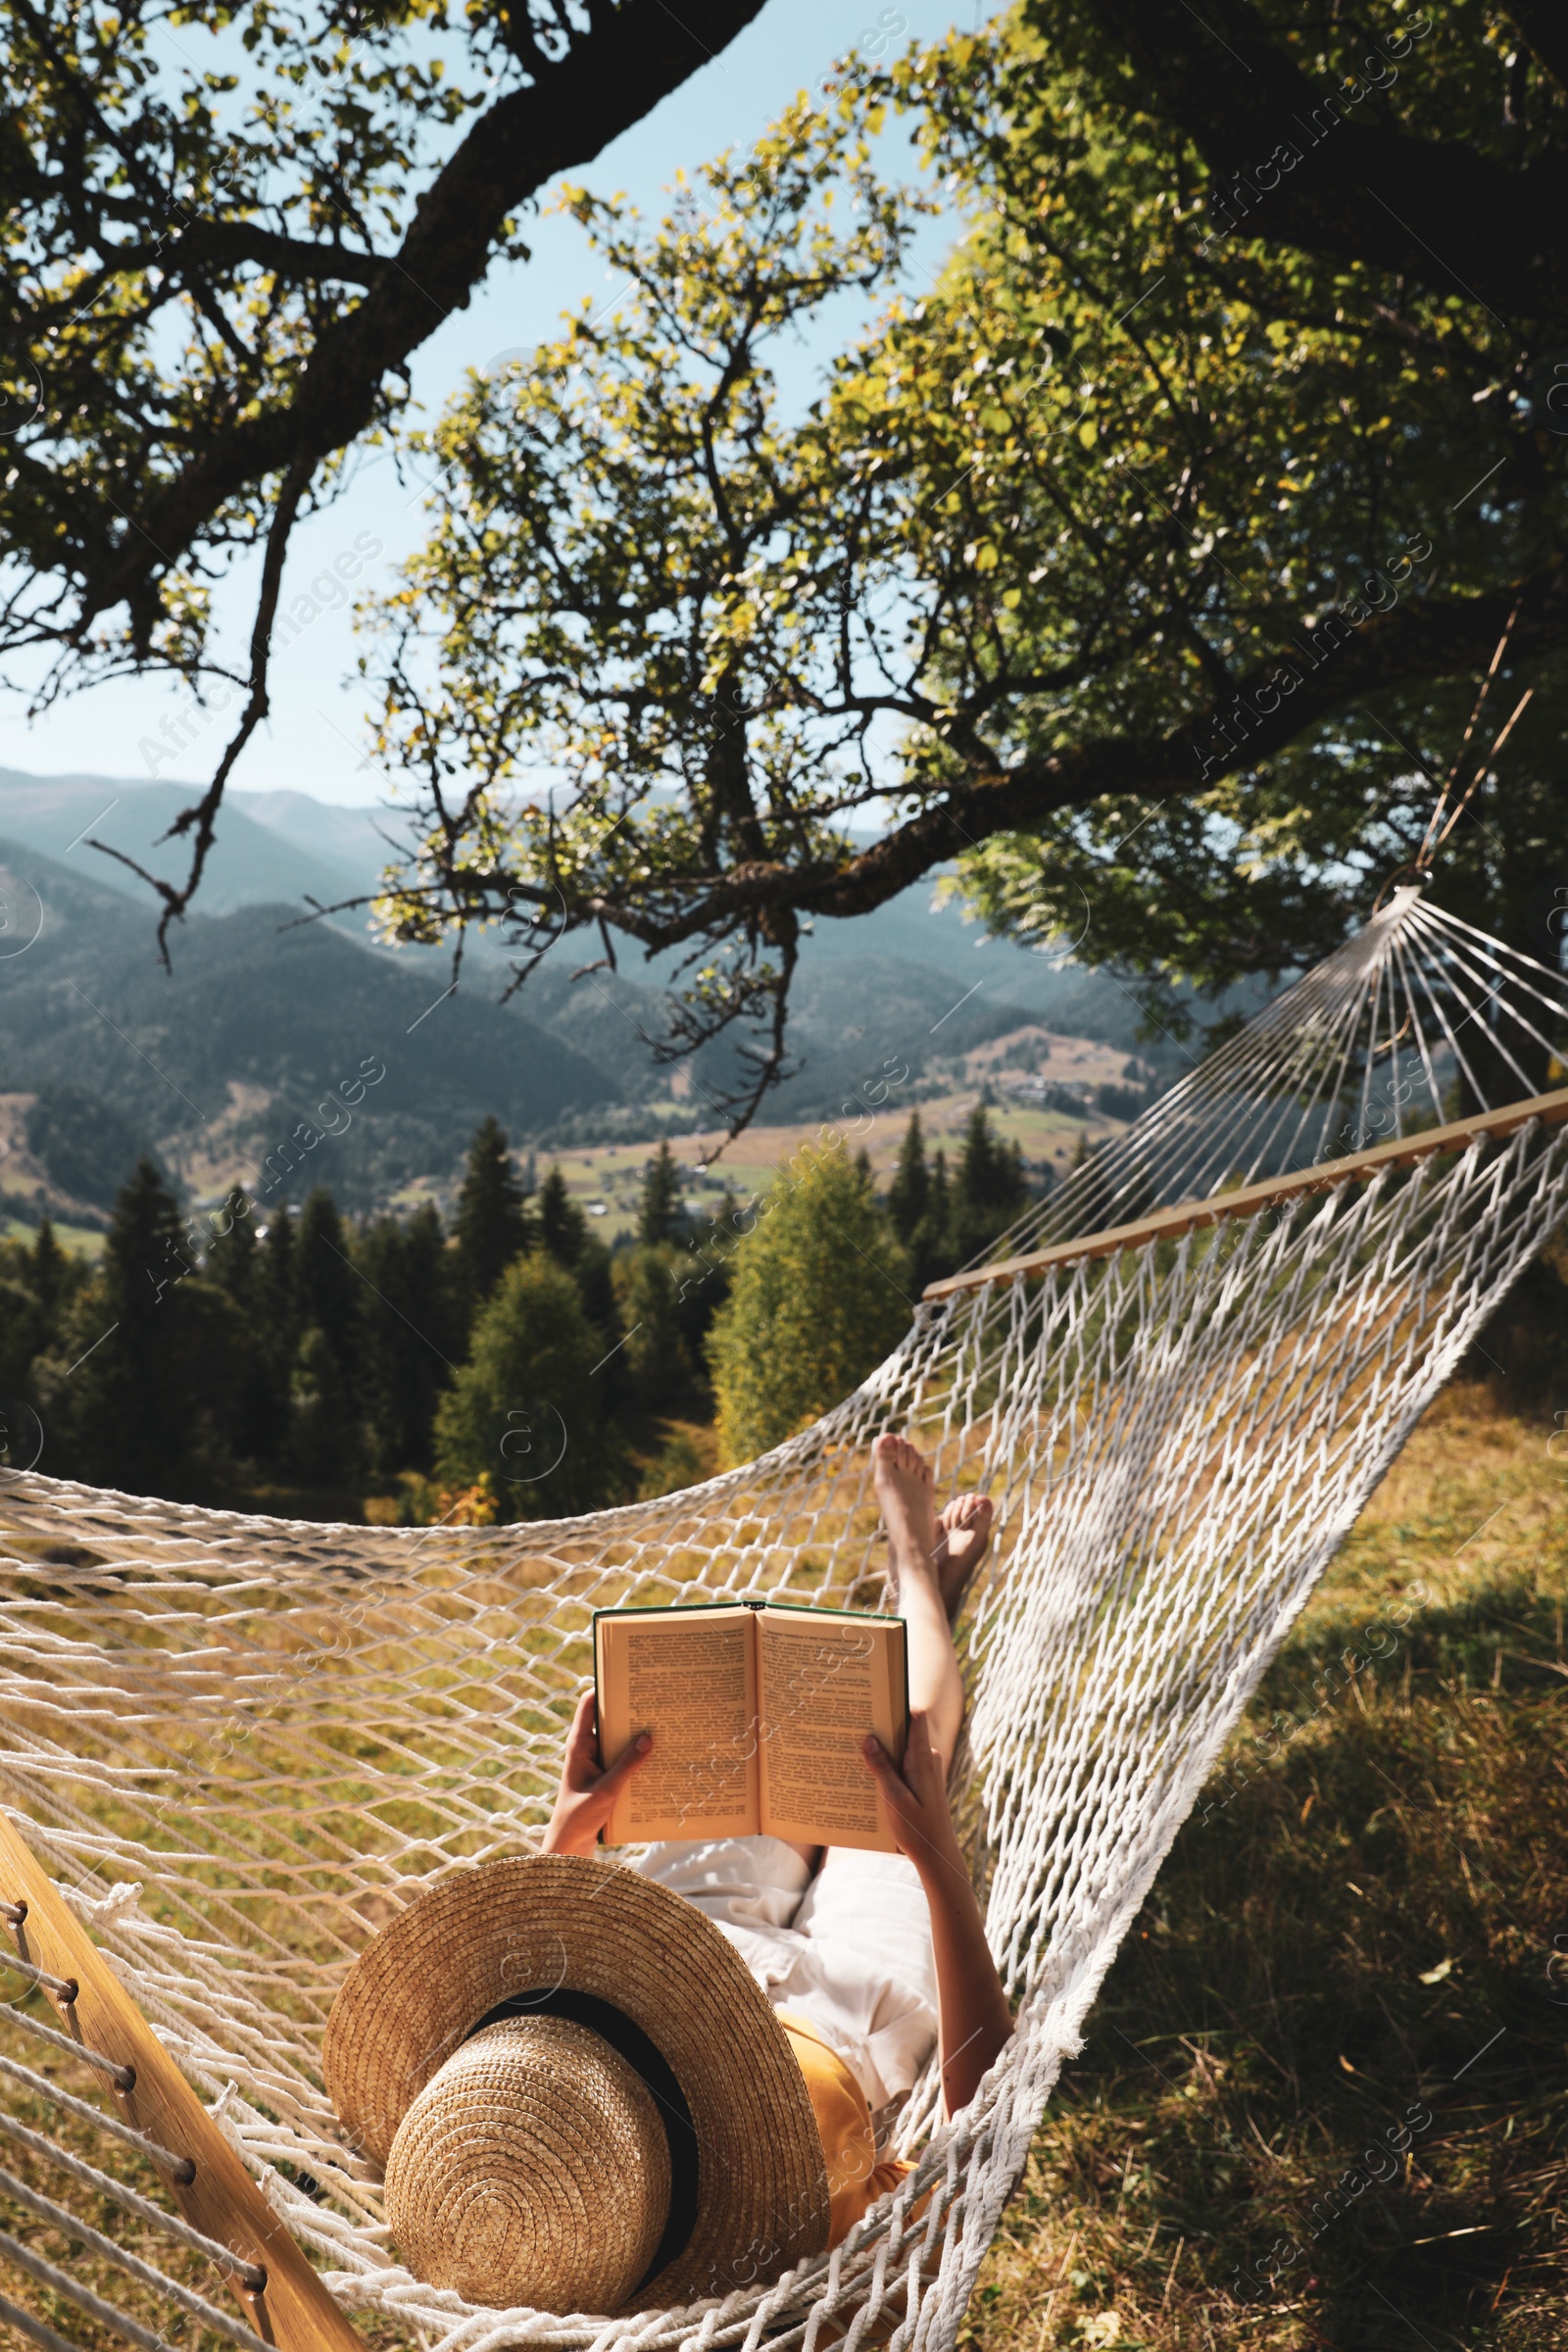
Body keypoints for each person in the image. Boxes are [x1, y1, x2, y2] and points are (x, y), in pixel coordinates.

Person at [542, 1432, 1014, 2246]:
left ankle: (917, 1603)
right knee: (903, 1756)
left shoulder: (527, 2123)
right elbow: (981, 2138)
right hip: (857, 2013)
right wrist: (940, 1866)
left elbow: (552, 1971)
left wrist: (569, 1831)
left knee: (780, 1745)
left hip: (685, 1950)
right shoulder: (781, 2248)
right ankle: (918, 1576)